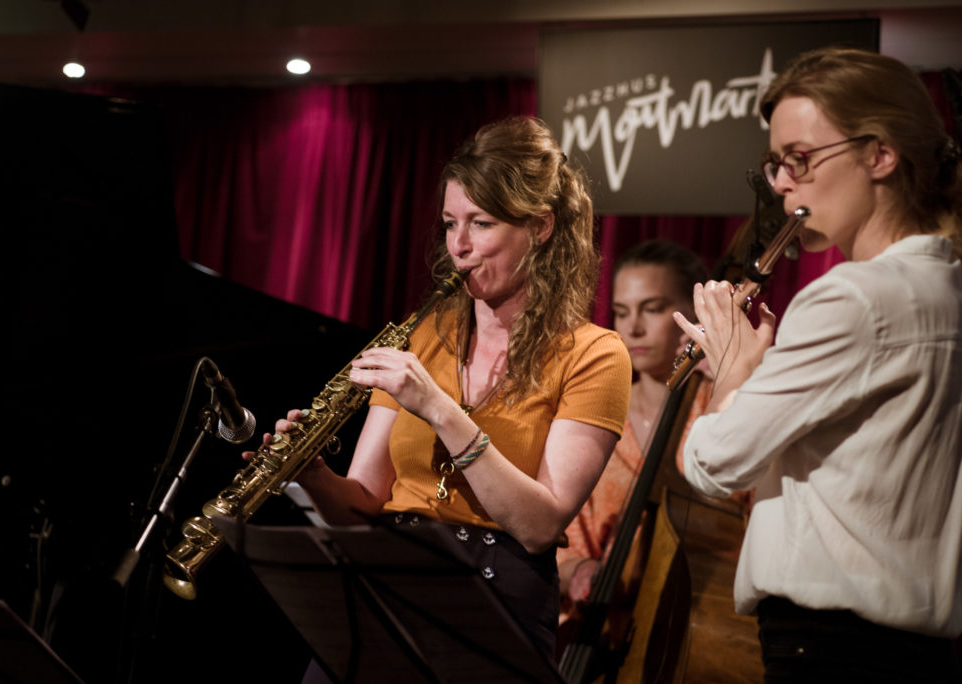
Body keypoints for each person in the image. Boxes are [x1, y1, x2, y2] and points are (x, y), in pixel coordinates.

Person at [254, 116, 631, 672]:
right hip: (385, 582)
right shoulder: (425, 333)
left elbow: (540, 524)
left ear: (542, 227)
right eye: (450, 222)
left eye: (481, 223)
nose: (458, 245)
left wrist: (438, 407)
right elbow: (364, 502)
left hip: (493, 598)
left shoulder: (595, 355)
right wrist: (311, 477)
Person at [675, 47, 962, 682]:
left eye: (800, 159)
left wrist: (733, 369)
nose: (781, 184)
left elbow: (711, 462)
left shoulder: (850, 297)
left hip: (830, 647)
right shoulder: (947, 289)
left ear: (879, 155)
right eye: (775, 164)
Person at [557, 240, 761, 682]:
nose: (632, 328)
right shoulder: (596, 412)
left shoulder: (728, 408)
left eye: (651, 309)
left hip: (703, 632)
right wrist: (579, 572)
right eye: (621, 310)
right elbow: (566, 538)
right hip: (608, 638)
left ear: (692, 311)